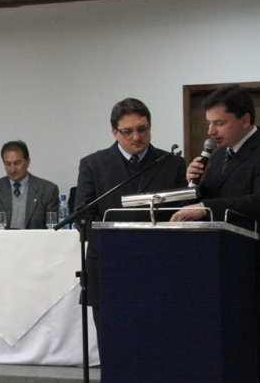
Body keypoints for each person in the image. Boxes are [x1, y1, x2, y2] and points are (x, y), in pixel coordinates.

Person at [171, 84, 260, 383]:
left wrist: (205, 206)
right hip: (220, 278)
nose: (210, 131)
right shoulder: (218, 159)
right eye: (209, 123)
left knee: (257, 366)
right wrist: (195, 186)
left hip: (255, 274)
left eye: (219, 123)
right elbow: (210, 205)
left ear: (245, 119)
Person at [74, 98, 186, 342]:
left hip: (159, 268)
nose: (137, 137)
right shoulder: (93, 165)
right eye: (128, 131)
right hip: (109, 266)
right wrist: (120, 247)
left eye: (142, 129)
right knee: (113, 343)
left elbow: (181, 216)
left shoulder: (173, 164)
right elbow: (83, 216)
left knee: (159, 342)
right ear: (114, 132)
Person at [0, 140, 59, 229]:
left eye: (17, 163)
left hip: (36, 238)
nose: (12, 169)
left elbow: (52, 228)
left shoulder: (47, 190)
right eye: (8, 164)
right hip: (1, 238)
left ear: (27, 162)